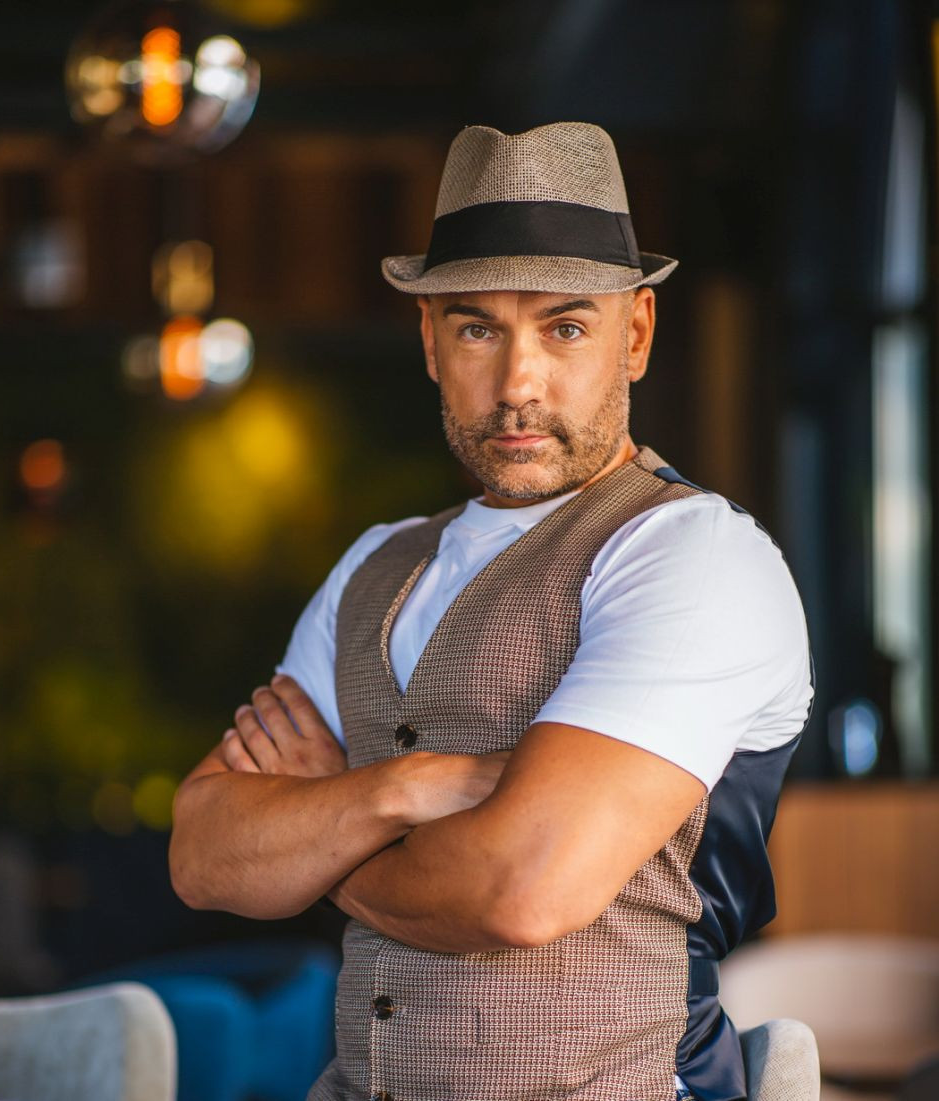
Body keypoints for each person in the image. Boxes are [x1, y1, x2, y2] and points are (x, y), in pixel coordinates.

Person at [169, 122, 815, 1101]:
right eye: (477, 328)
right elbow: (204, 853)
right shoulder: (373, 564)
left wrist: (319, 839)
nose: (518, 385)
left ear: (636, 334)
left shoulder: (690, 556)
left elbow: (523, 890)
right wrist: (407, 787)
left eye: (565, 328)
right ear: (429, 339)